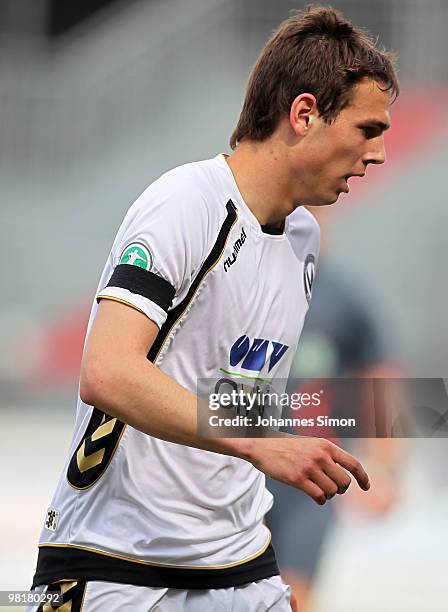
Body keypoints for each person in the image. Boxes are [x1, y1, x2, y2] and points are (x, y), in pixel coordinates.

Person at [28, 6, 398, 611]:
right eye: (367, 129)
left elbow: (228, 386)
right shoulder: (184, 205)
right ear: (304, 114)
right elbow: (107, 372)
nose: (379, 153)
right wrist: (261, 440)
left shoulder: (301, 238)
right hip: (115, 564)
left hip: (240, 565)